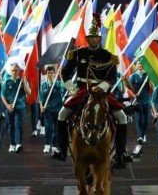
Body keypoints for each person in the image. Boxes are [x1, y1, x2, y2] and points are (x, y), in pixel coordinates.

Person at [53, 14, 132, 169]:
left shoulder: (108, 56)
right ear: (87, 38)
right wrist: (72, 88)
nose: (94, 40)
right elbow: (65, 73)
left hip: (102, 92)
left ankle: (120, 153)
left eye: (96, 37)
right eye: (91, 37)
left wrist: (101, 87)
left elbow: (111, 78)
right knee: (62, 114)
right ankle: (61, 149)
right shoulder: (78, 53)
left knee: (122, 117)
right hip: (82, 90)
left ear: (100, 38)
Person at [1, 63, 31, 153]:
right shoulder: (6, 81)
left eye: (16, 70)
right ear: (10, 71)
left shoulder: (22, 81)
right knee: (11, 125)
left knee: (19, 125)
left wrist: (25, 83)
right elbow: (2, 95)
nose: (14, 72)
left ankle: (18, 144)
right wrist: (7, 105)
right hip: (10, 107)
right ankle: (12, 144)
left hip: (20, 107)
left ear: (19, 71)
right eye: (13, 70)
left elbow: (29, 92)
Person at [39, 65, 66, 154]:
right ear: (46, 74)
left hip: (58, 109)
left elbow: (66, 87)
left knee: (57, 128)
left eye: (51, 73)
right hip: (48, 110)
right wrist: (41, 107)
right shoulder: (43, 85)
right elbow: (41, 98)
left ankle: (54, 146)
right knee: (49, 127)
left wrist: (61, 76)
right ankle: (47, 145)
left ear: (54, 74)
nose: (50, 74)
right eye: (48, 73)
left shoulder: (58, 84)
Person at [129, 62, 152, 145]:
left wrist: (150, 80)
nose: (140, 65)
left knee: (145, 119)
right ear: (136, 65)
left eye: (141, 64)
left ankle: (143, 134)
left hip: (146, 100)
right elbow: (129, 88)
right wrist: (133, 95)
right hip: (137, 101)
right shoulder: (133, 76)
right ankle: (140, 136)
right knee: (138, 118)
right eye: (138, 64)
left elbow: (151, 89)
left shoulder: (147, 75)